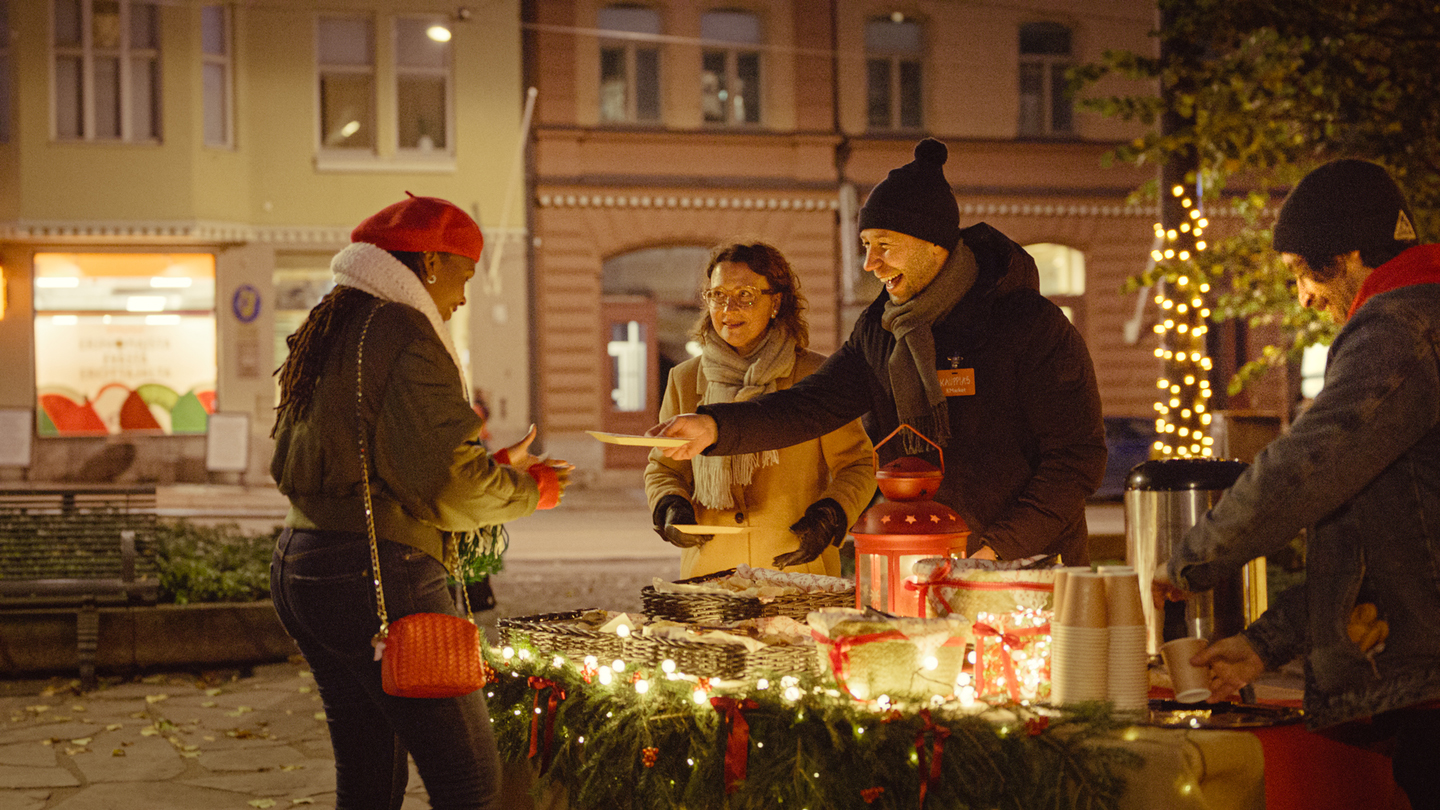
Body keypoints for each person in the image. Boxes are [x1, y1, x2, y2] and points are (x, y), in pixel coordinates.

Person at [649, 139, 1106, 565]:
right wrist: (715, 426)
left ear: (934, 245)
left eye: (885, 246)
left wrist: (994, 552)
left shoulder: (1027, 324)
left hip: (1028, 566)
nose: (871, 264)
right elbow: (811, 405)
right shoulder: (881, 329)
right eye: (867, 246)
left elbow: (1076, 460)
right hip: (923, 560)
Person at [269, 193, 571, 810]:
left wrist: (491, 463)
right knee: (470, 782)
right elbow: (444, 485)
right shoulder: (405, 329)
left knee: (370, 773)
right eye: (463, 275)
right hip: (379, 575)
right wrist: (528, 489)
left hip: (304, 565)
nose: (461, 297)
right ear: (430, 263)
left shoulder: (335, 320)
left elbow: (364, 449)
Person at [1160, 160, 1440, 809]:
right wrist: (1264, 645)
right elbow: (1382, 546)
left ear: (1342, 258)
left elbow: (1307, 466)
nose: (1302, 298)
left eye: (1299, 273)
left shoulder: (1400, 328)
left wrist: (1190, 560)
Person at [644, 243, 876, 578]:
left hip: (797, 572)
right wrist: (670, 504)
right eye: (718, 295)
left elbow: (858, 463)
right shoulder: (684, 379)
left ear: (776, 302)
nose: (729, 307)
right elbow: (663, 468)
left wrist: (831, 513)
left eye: (746, 294)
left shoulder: (814, 377)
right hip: (713, 579)